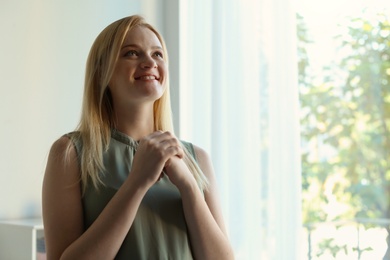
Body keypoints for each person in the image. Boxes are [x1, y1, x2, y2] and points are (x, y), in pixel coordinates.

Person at [42, 15, 234, 259]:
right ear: (102, 72)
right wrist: (138, 181)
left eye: (157, 54)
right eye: (132, 53)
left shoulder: (197, 159)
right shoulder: (70, 153)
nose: (149, 62)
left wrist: (189, 187)